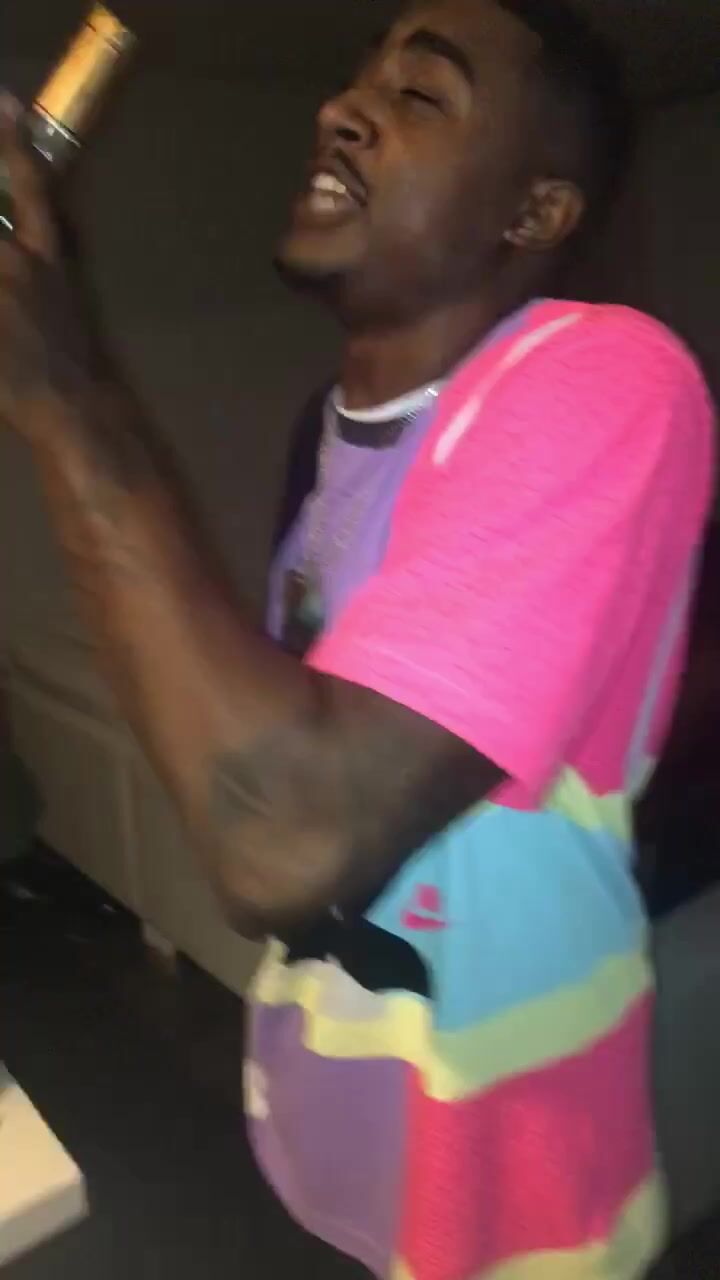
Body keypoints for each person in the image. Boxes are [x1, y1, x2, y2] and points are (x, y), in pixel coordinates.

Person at [0, 0, 715, 1275]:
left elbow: (285, 835)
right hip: (321, 1140)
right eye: (356, 81)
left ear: (535, 213)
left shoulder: (608, 372)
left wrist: (60, 387)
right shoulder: (321, 434)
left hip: (515, 1209)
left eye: (420, 94)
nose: (339, 109)